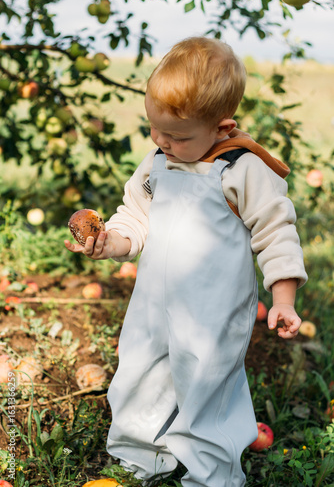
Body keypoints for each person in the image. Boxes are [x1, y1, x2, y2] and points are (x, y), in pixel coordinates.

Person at [65, 37, 307, 487]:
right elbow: (135, 216)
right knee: (138, 373)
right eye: (155, 130)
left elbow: (276, 232)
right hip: (153, 303)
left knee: (207, 389)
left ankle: (211, 475)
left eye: (177, 136)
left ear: (221, 127)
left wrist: (283, 297)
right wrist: (111, 242)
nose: (162, 142)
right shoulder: (159, 161)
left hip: (213, 313)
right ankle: (140, 459)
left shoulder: (243, 169)